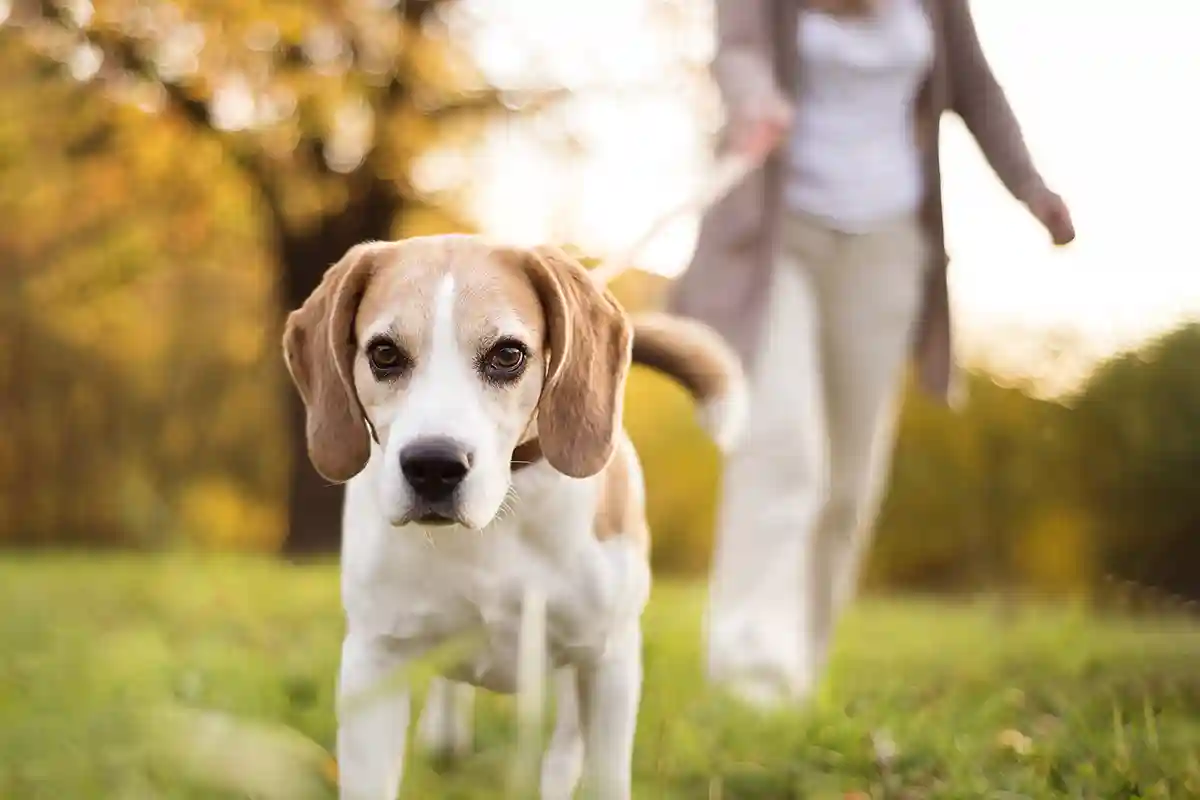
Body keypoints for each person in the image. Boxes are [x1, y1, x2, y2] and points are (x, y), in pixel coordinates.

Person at [669, 0, 1076, 708]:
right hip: (776, 234)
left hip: (888, 244)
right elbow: (736, 50)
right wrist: (755, 98)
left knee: (849, 482)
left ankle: (799, 672)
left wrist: (1030, 188)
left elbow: (977, 91)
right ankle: (748, 678)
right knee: (782, 448)